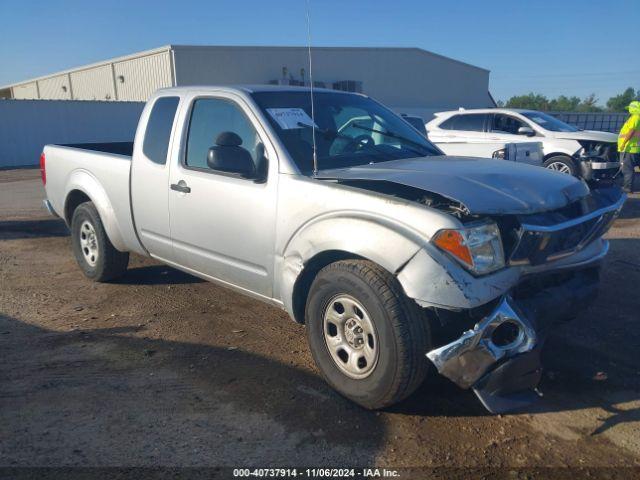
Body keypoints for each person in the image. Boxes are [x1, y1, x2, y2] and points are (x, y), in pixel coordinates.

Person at [618, 101, 640, 193]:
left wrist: (623, 143)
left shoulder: (635, 117)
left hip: (629, 148)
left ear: (633, 108)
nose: (629, 110)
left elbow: (631, 132)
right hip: (635, 147)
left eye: (630, 108)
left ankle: (627, 188)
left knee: (627, 169)